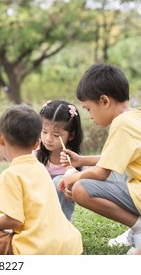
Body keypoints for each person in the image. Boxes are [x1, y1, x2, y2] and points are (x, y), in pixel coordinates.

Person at [0, 105, 83, 255]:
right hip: (69, 246)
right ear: (37, 143)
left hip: (37, 249)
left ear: (0, 138)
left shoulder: (9, 175)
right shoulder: (41, 168)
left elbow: (14, 221)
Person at [59, 63, 141, 255]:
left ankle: (138, 227)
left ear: (104, 101)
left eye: (88, 109)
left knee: (81, 189)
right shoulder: (135, 117)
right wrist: (80, 161)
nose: (89, 116)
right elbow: (114, 158)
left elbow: (102, 172)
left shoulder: (121, 123)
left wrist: (74, 178)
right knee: (118, 175)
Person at [0, 100, 84, 221]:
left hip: (59, 214)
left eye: (56, 135)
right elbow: (19, 176)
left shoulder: (75, 159)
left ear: (71, 135)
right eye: (44, 132)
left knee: (60, 181)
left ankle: (59, 224)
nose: (48, 139)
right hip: (36, 204)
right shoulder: (35, 153)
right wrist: (3, 187)